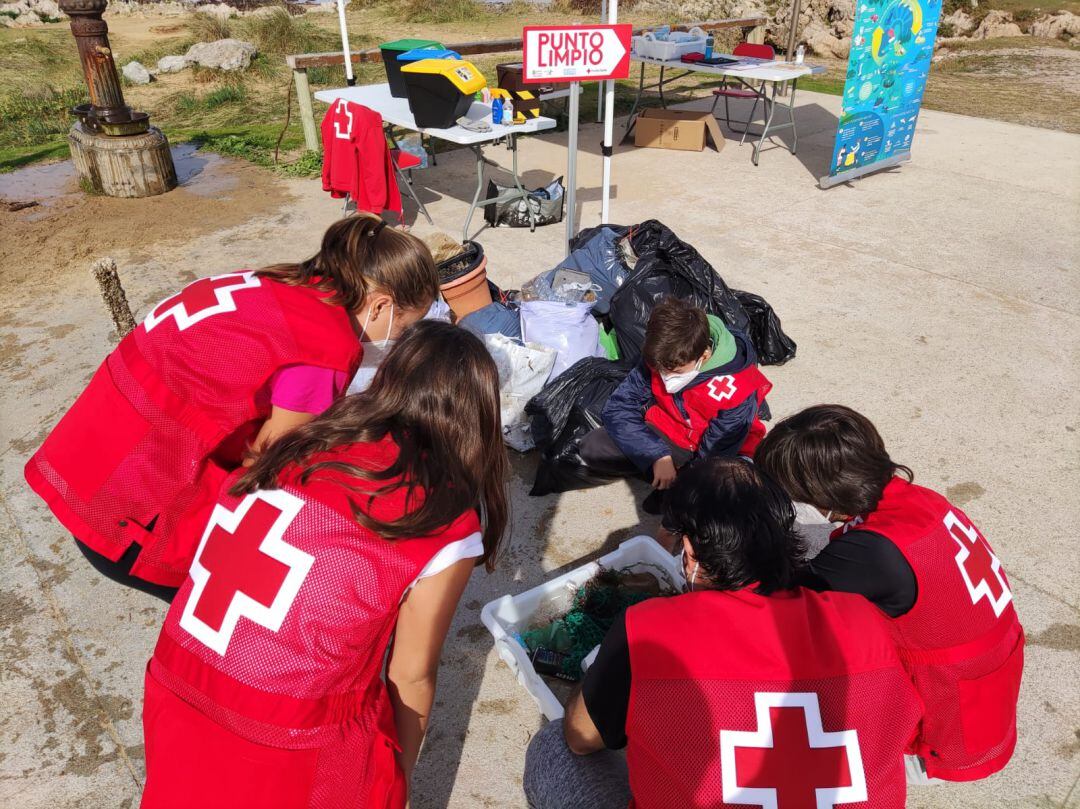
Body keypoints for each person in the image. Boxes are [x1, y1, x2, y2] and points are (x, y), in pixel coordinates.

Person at [140, 321, 509, 808]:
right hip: (283, 732)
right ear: (477, 415)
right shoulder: (441, 521)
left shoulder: (306, 439)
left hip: (175, 680)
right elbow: (410, 675)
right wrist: (397, 774)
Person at [25, 215, 439, 600]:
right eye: (403, 328)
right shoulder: (326, 348)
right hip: (132, 503)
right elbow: (270, 457)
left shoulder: (280, 281)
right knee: (245, 593)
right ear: (381, 305)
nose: (398, 341)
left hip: (87, 456)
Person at [524, 458, 923, 809]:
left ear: (690, 552)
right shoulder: (863, 617)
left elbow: (581, 736)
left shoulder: (649, 627)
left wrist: (601, 669)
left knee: (553, 748)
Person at [755, 404, 1024, 782]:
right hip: (989, 683)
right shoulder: (922, 500)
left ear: (822, 492)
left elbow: (777, 606)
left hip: (947, 715)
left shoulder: (872, 551)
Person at [579, 298, 771, 504]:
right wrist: (657, 456)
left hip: (715, 450)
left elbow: (716, 452)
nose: (664, 377)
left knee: (726, 494)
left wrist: (688, 483)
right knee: (593, 446)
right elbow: (619, 408)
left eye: (676, 371)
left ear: (704, 355)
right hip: (669, 433)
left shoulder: (738, 388)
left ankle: (671, 484)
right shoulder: (660, 356)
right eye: (659, 370)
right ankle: (665, 477)